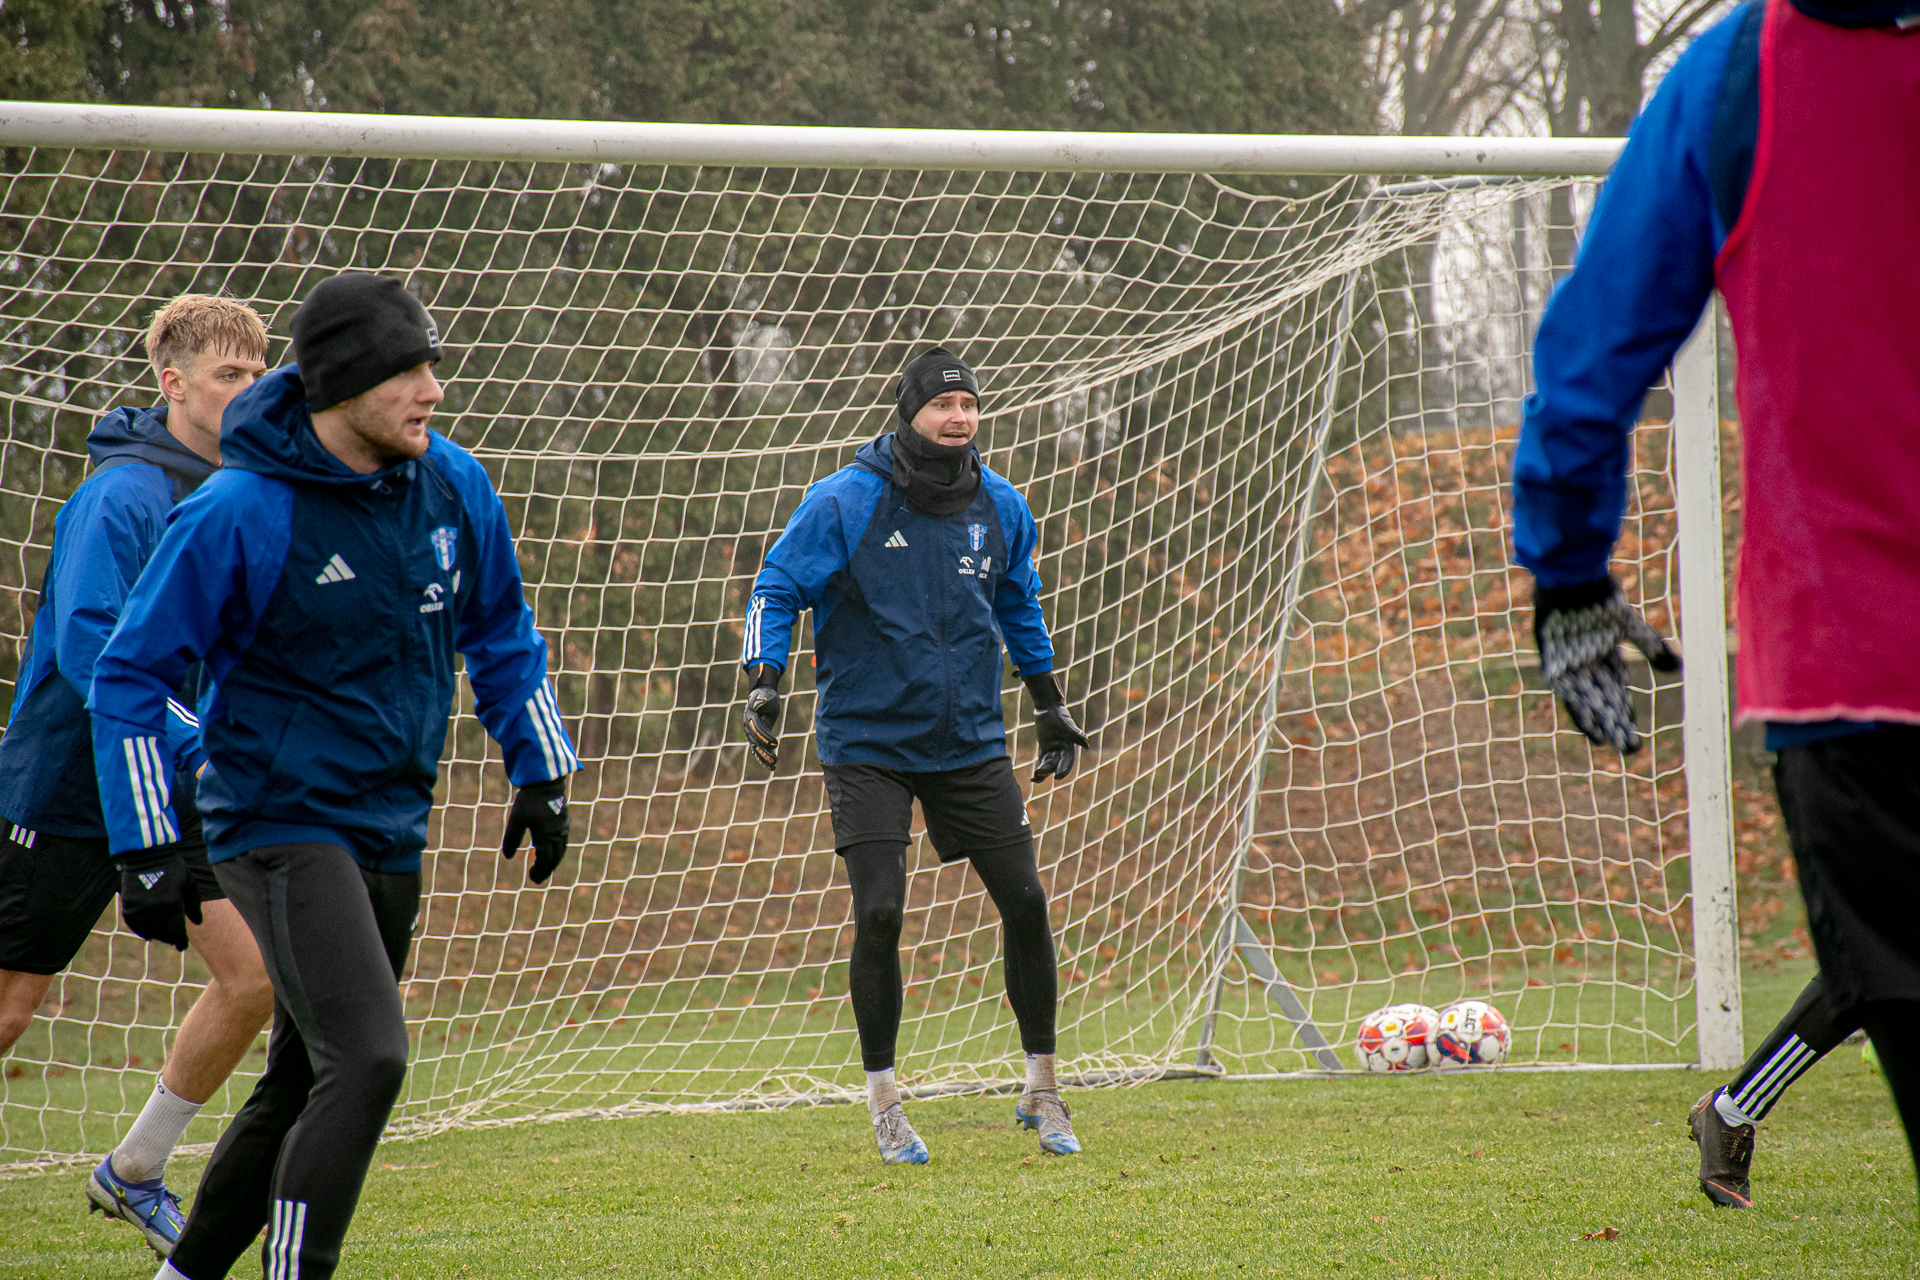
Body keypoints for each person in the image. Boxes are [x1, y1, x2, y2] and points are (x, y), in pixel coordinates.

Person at [1509, 0, 1920, 1211]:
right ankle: (1735, 1106)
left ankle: (1736, 1104)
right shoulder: (1740, 66)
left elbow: (1591, 356)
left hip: (1854, 696)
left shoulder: (1745, 70)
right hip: (1854, 685)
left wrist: (1569, 577)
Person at [87, 273, 579, 1280]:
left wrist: (541, 770)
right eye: (409, 372)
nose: (433, 391)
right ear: (345, 385)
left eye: (433, 367)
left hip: (390, 820)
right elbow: (127, 675)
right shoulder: (241, 509)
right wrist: (143, 843)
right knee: (371, 1057)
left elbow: (501, 631)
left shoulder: (454, 484)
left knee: (307, 1075)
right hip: (274, 816)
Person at [739, 346, 1092, 1165]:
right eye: (942, 405)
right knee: (880, 914)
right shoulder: (845, 500)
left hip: (969, 741)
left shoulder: (1002, 504)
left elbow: (1018, 603)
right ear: (909, 412)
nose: (958, 418)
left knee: (1027, 901)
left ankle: (1043, 1088)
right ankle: (885, 1103)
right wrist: (765, 681)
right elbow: (776, 586)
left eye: (969, 404)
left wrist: (1048, 704)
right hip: (868, 742)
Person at [0, 295, 275, 1255]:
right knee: (10, 1011)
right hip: (73, 784)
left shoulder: (238, 495)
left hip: (176, 784)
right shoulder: (120, 497)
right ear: (174, 384)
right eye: (228, 375)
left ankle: (135, 1169)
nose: (248, 391)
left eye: (258, 375)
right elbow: (94, 656)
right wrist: (201, 738)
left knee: (253, 978)